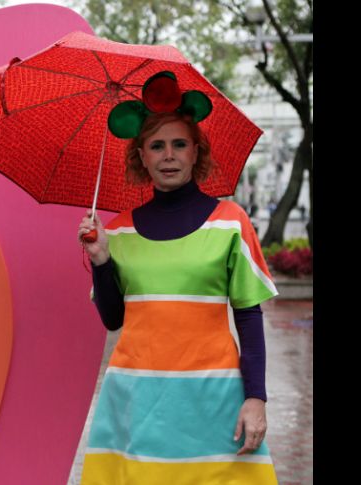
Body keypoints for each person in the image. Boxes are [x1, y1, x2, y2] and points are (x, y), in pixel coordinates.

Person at [77, 72, 280, 484]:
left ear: (195, 152)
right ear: (142, 157)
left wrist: (255, 399)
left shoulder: (231, 223)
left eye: (179, 144)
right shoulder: (117, 231)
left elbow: (249, 317)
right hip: (136, 399)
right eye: (156, 146)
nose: (168, 155)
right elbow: (114, 320)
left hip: (213, 398)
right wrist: (100, 260)